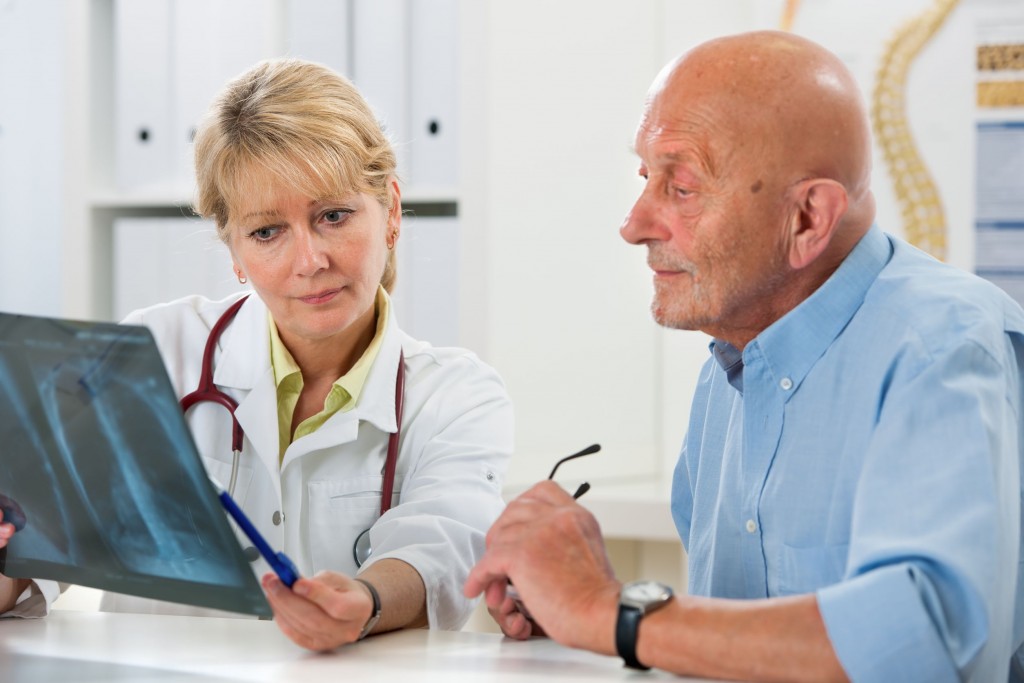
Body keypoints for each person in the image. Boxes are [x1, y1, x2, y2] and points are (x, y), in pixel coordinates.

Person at [465, 30, 1024, 682]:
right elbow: (736, 640)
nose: (634, 223)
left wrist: (611, 611)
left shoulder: (942, 348)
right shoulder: (731, 362)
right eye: (647, 176)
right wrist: (568, 602)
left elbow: (925, 643)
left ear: (810, 218)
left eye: (682, 187)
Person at [0, 58, 514, 651]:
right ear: (234, 254)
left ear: (391, 211)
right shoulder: (155, 355)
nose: (309, 261)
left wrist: (364, 602)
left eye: (333, 216)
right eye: (268, 231)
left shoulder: (455, 396)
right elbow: (41, 551)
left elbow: (442, 548)